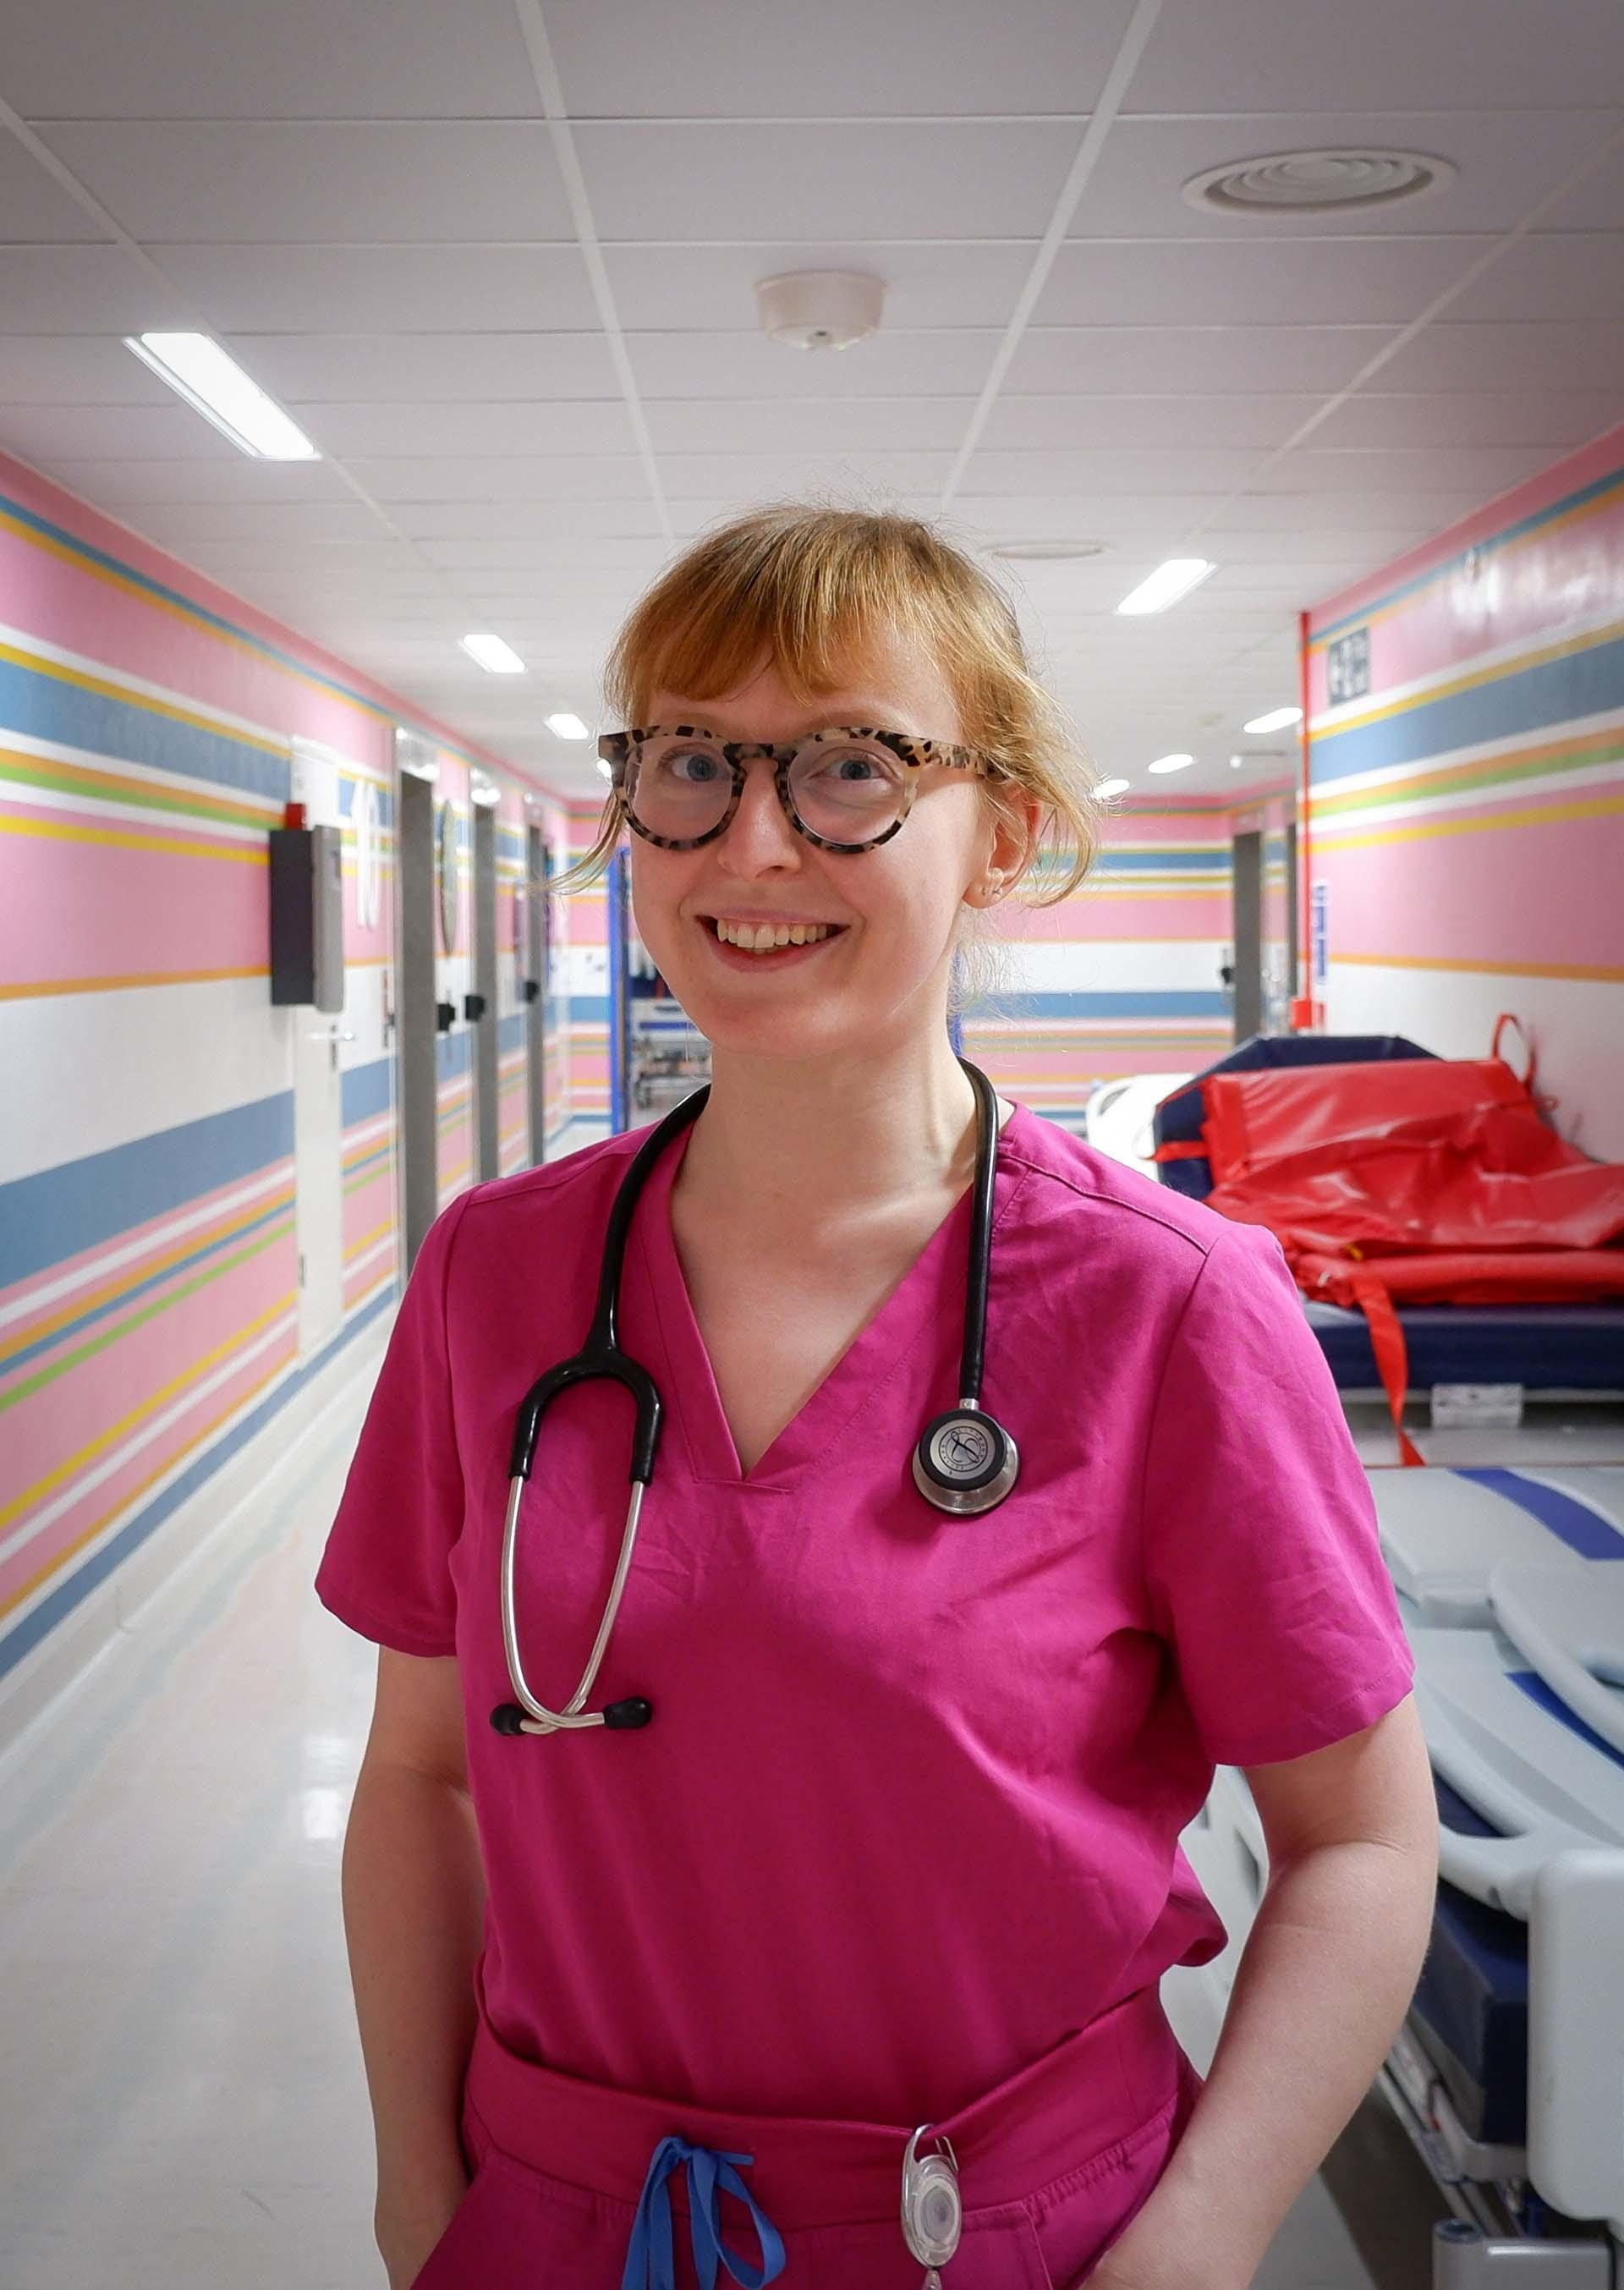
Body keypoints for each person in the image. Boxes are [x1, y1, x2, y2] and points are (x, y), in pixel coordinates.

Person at [316, 505, 1439, 2290]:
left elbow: (1362, 1840)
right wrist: (416, 2189)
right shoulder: (492, 1276)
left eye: (851, 765)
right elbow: (421, 1774)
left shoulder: (1173, 1308)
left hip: (1018, 2235)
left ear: (1005, 835)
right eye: (690, 761)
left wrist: (1201, 2244)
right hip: (558, 2223)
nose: (752, 841)